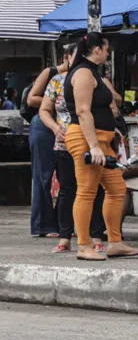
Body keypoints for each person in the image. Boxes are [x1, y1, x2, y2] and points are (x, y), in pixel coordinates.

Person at [63, 33, 138, 261]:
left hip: (102, 140)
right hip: (87, 139)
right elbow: (82, 111)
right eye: (106, 49)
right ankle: (83, 245)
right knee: (86, 191)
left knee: (117, 189)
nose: (108, 54)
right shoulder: (84, 73)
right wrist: (94, 147)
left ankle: (115, 242)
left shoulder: (91, 72)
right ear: (97, 49)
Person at [40, 43, 105, 254]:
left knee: (94, 189)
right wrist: (55, 127)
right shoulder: (57, 81)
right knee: (68, 190)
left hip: (92, 139)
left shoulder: (94, 77)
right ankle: (65, 237)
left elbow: (112, 103)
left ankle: (96, 235)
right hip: (64, 140)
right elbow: (44, 110)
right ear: (67, 57)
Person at [26, 58, 69, 238]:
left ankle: (64, 224)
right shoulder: (51, 73)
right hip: (45, 125)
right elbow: (31, 99)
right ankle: (43, 225)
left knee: (66, 176)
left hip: (66, 127)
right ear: (67, 57)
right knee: (44, 175)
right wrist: (55, 99)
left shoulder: (85, 75)